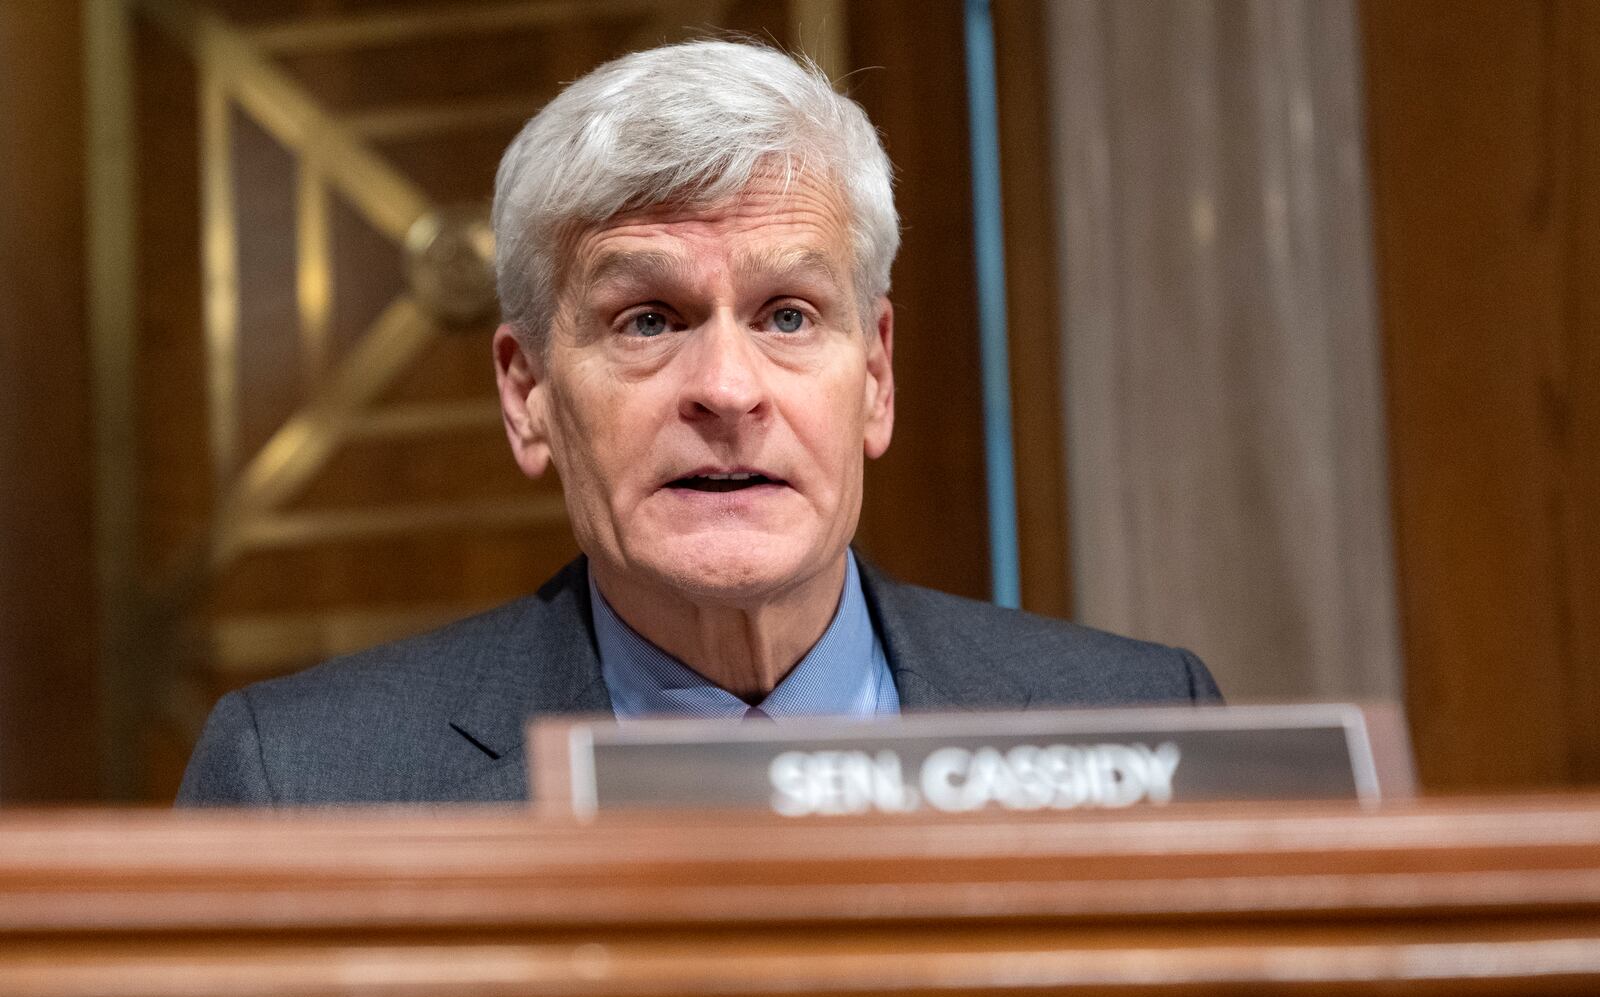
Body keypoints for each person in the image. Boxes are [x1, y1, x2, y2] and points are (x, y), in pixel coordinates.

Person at [177, 40, 1220, 806]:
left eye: (788, 314)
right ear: (526, 392)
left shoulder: (1144, 717)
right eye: (647, 319)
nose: (727, 387)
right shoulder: (307, 780)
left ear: (876, 375)